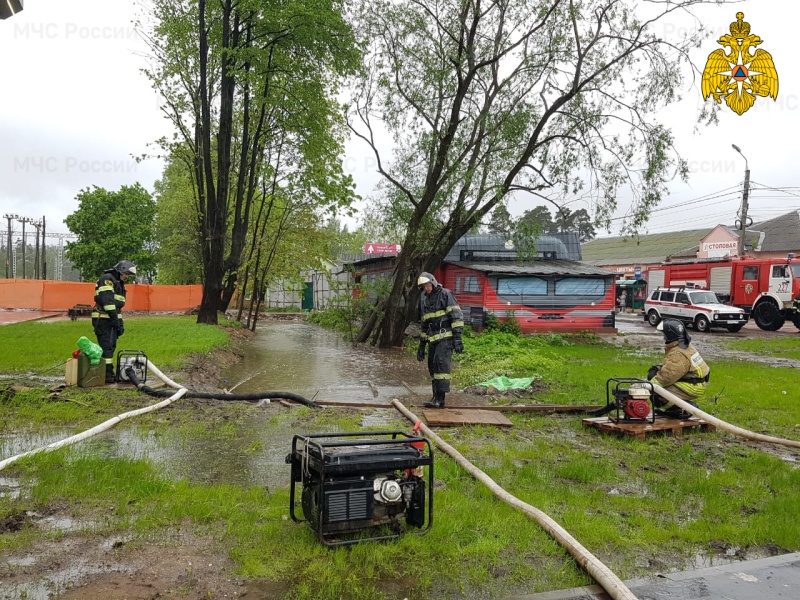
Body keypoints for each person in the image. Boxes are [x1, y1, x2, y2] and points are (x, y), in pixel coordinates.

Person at [416, 272, 464, 408]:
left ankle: (440, 399)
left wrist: (458, 338)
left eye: (427, 285)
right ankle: (435, 397)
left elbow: (456, 316)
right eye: (423, 287)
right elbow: (425, 324)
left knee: (441, 366)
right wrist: (421, 345)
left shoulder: (445, 294)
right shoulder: (426, 301)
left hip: (446, 337)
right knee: (432, 367)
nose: (426, 289)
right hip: (433, 339)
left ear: (433, 282)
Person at [647, 319, 710, 418]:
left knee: (656, 394)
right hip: (696, 382)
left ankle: (678, 410)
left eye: (665, 335)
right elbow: (674, 366)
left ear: (670, 335)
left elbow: (667, 377)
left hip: (692, 386)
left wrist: (649, 385)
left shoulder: (678, 353)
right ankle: (680, 405)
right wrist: (657, 368)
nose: (664, 337)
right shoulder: (684, 345)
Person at [92, 260, 136, 383]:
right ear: (121, 269)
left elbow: (117, 308)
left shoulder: (118, 282)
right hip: (104, 319)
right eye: (126, 273)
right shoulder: (107, 279)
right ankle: (107, 375)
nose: (127, 276)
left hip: (110, 318)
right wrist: (115, 321)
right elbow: (108, 304)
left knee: (110, 346)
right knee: (107, 347)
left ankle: (107, 373)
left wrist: (120, 323)